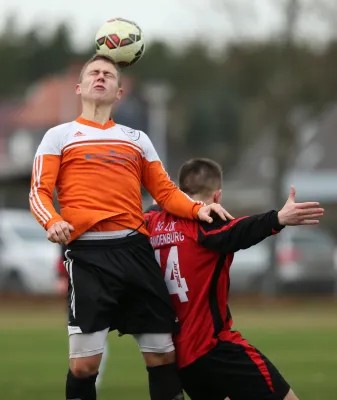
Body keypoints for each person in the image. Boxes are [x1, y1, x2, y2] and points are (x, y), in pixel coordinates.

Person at [29, 54, 232, 400]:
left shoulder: (136, 139)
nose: (100, 77)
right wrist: (53, 220)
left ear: (119, 92)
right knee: (84, 366)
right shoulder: (59, 136)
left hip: (136, 252)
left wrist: (198, 209)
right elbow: (39, 192)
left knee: (162, 354)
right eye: (93, 72)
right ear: (79, 87)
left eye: (109, 74)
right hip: (89, 257)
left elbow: (166, 193)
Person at [145, 158, 324, 400]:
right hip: (213, 346)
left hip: (178, 356)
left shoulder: (152, 222)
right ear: (217, 196)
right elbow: (240, 231)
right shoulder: (205, 225)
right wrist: (278, 218)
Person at [55, 245, 108, 389]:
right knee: (85, 331)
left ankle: (91, 376)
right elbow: (65, 245)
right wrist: (61, 273)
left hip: (99, 270)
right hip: (77, 272)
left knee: (93, 330)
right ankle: (88, 375)